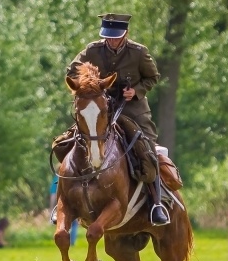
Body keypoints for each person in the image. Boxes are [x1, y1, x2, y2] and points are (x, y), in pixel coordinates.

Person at [66, 12, 171, 226]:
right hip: (98, 108)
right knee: (65, 143)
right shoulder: (92, 50)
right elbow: (71, 70)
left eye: (116, 37)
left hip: (132, 109)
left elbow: (153, 77)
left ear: (126, 34)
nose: (111, 41)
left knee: (147, 151)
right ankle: (64, 200)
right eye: (108, 36)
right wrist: (89, 84)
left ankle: (157, 204)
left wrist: (136, 91)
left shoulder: (139, 52)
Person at [49, 173, 77, 246]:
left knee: (61, 222)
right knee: (74, 223)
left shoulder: (57, 178)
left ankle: (62, 239)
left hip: (63, 204)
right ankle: (72, 241)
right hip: (73, 203)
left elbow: (53, 195)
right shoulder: (73, 175)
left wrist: (52, 208)